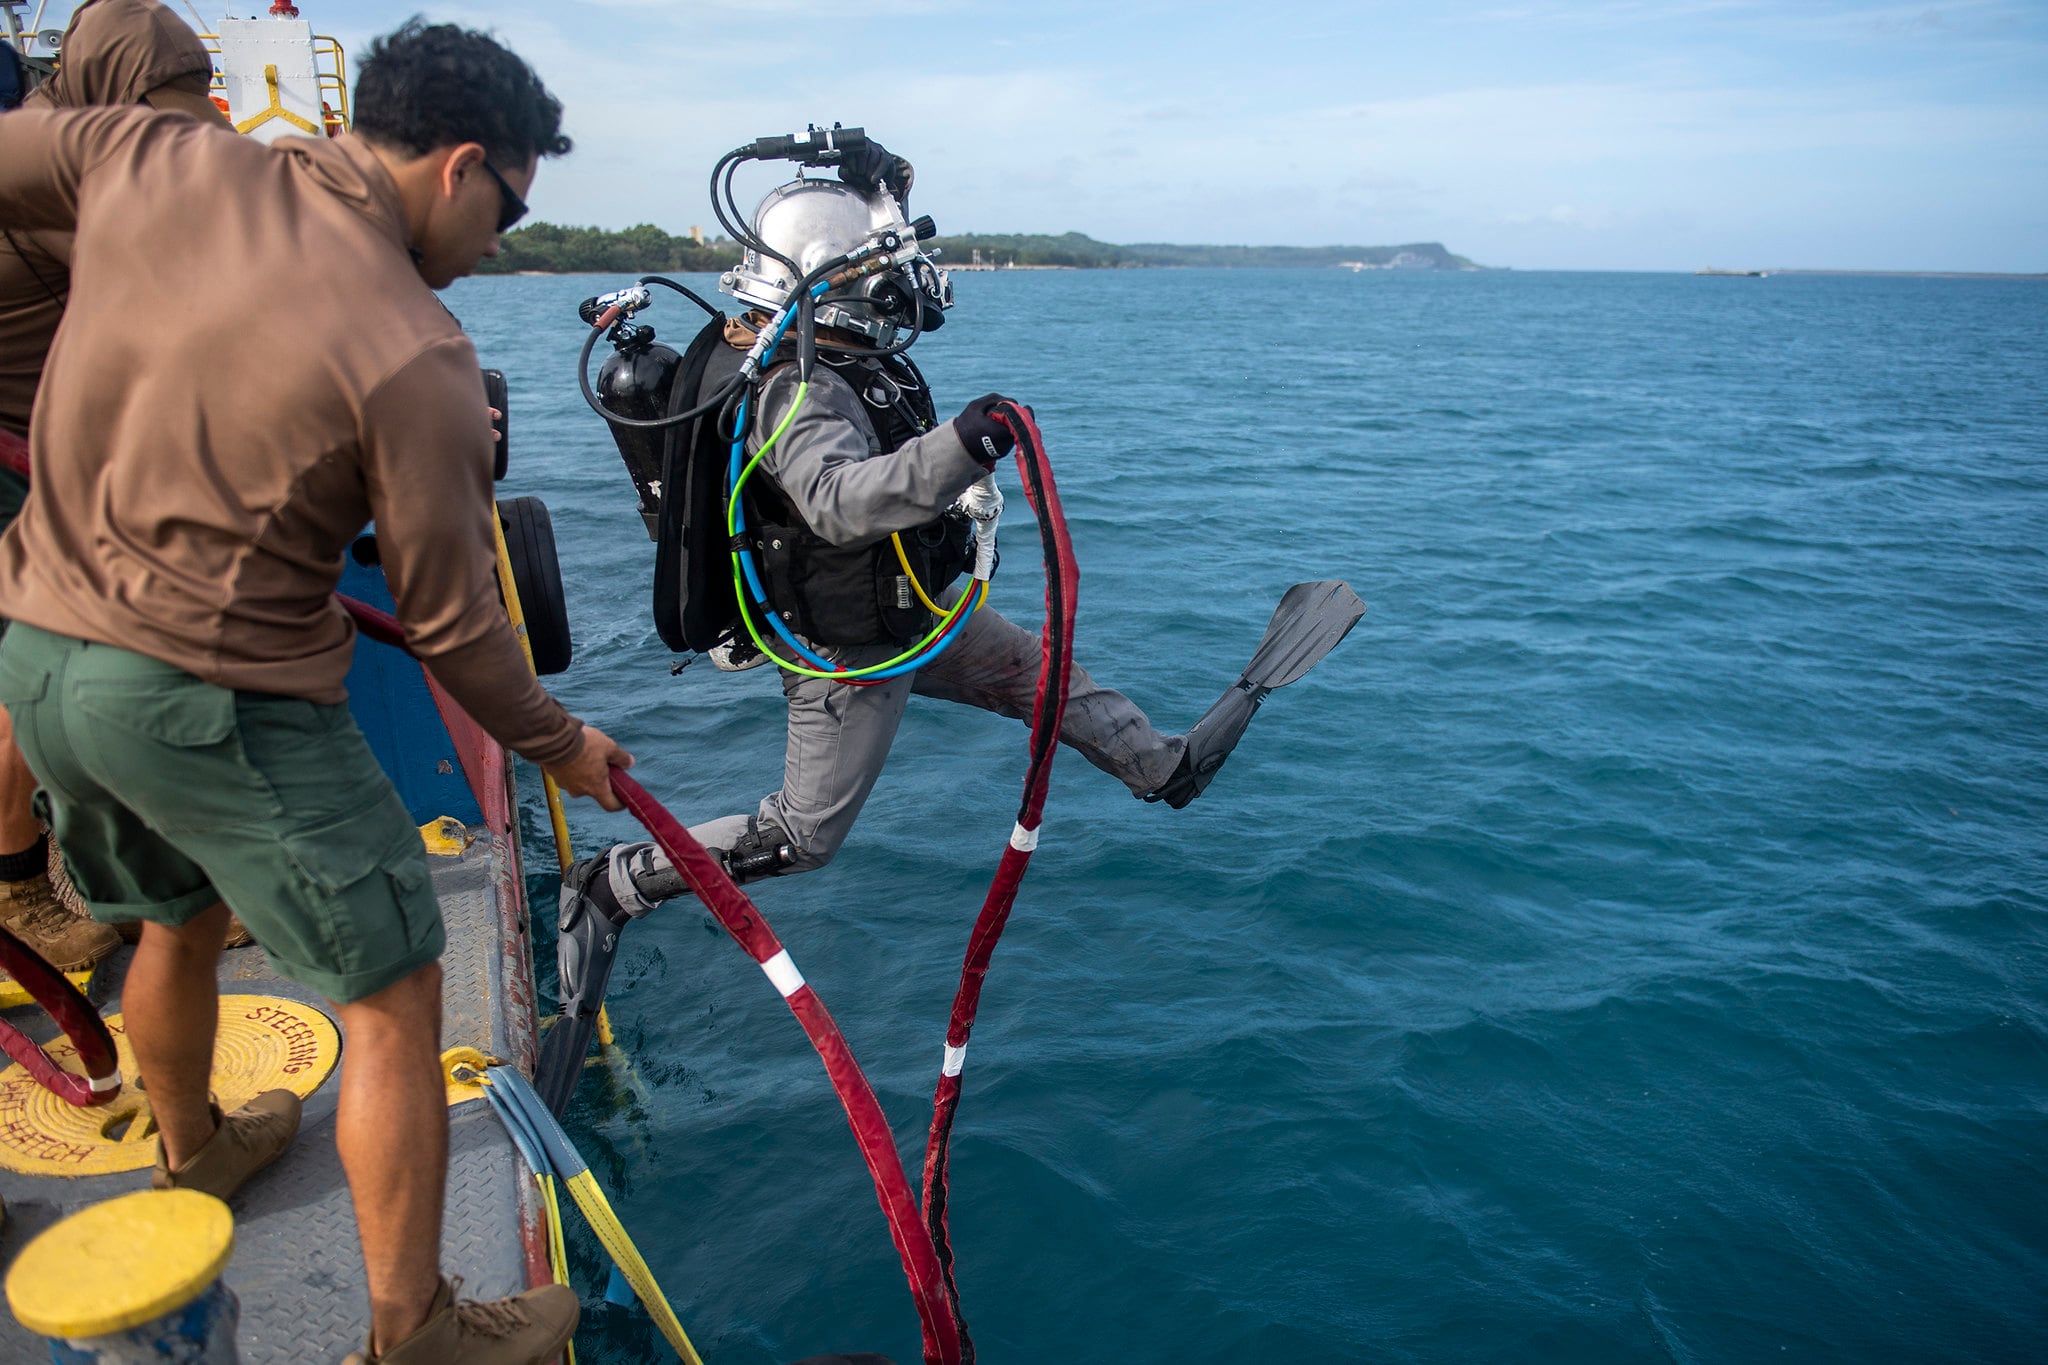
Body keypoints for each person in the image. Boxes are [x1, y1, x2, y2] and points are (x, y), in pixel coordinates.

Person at [0, 20, 631, 1365]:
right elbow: (459, 628)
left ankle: (199, 1149)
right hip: (217, 697)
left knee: (172, 917)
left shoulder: (147, 157)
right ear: (461, 166)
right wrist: (563, 741)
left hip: (37, 660)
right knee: (395, 989)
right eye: (508, 209)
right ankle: (415, 1330)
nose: (501, 242)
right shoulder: (417, 352)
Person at [540, 147, 1361, 1105]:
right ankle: (617, 882)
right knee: (803, 835)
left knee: (1043, 676)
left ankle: (1159, 768)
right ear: (827, 281)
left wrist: (877, 181)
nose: (901, 285)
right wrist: (962, 444)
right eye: (875, 269)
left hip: (918, 612)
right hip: (846, 650)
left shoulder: (831, 348)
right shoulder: (792, 385)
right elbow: (839, 501)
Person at [0, 0, 236, 981]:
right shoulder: (61, 180)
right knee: (39, 679)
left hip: (58, 454)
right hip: (28, 464)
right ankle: (26, 900)